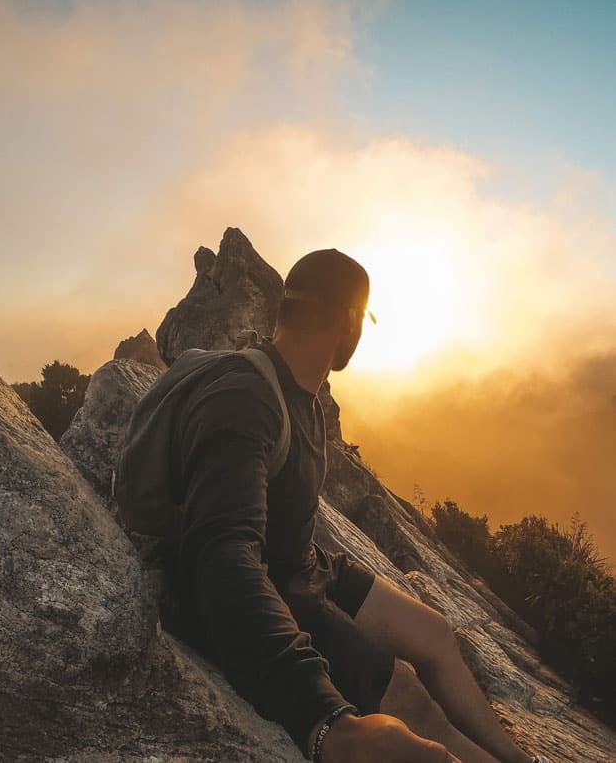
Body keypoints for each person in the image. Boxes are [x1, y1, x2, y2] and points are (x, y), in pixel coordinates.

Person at [170, 249, 548, 763]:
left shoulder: (294, 387)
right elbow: (224, 560)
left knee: (434, 634)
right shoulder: (245, 400)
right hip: (273, 587)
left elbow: (281, 517)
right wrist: (324, 719)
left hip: (300, 563)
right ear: (350, 320)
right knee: (416, 707)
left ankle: (522, 759)